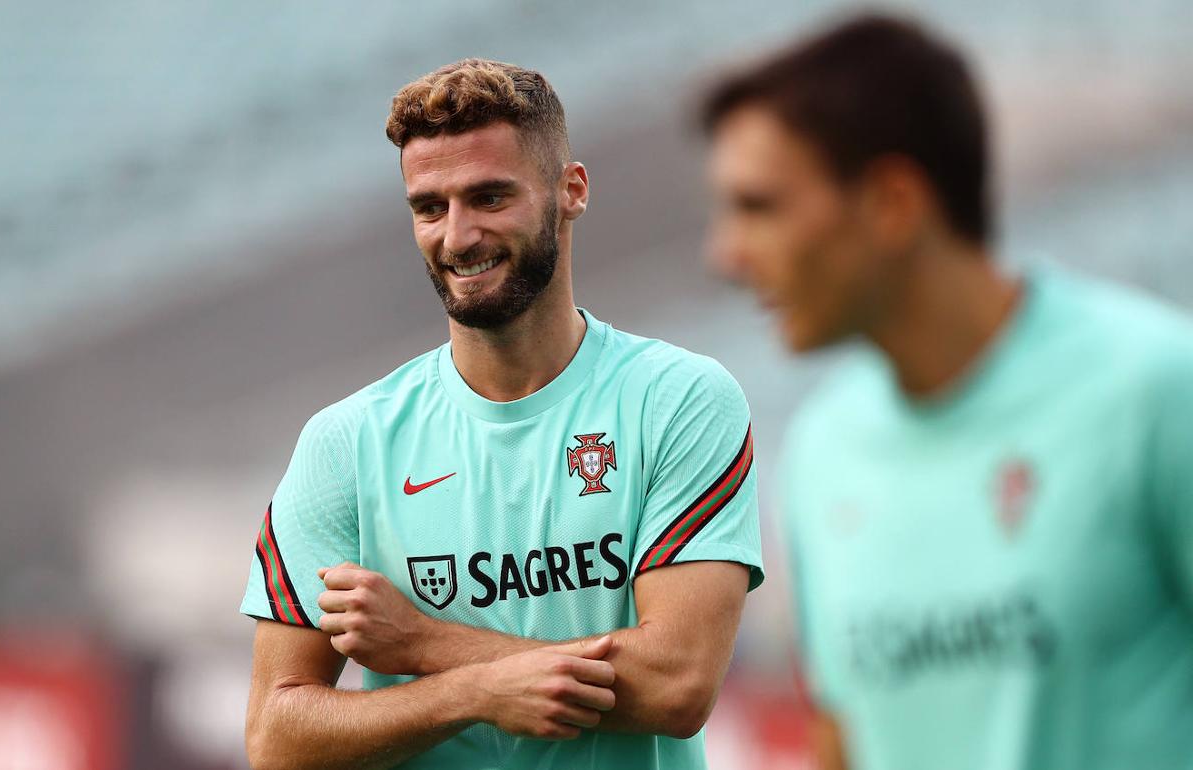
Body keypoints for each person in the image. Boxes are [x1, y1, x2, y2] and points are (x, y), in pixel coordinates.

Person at [701, 13, 1193, 770]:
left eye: (760, 206)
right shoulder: (822, 451)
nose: (726, 256)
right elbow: (844, 744)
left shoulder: (1157, 387)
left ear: (894, 201)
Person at [241, 58, 763, 770]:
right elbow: (276, 737)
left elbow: (675, 685)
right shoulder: (346, 443)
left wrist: (427, 644)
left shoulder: (678, 400)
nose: (457, 236)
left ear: (570, 191)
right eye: (430, 207)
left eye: (489, 197)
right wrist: (472, 692)